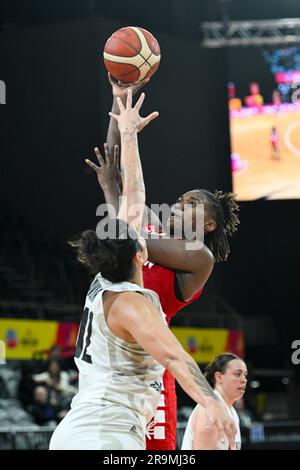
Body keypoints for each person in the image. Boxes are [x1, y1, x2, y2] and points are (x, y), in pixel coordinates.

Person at [49, 91, 236, 450]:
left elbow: (129, 210)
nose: (180, 206)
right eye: (180, 201)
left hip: (148, 368)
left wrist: (113, 182)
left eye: (191, 204)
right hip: (126, 359)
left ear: (209, 224)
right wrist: (119, 103)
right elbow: (127, 197)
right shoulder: (146, 233)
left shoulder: (199, 257)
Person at [181, 353, 247, 450]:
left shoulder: (232, 411)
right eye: (238, 374)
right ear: (219, 377)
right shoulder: (209, 409)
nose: (244, 380)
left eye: (245, 375)